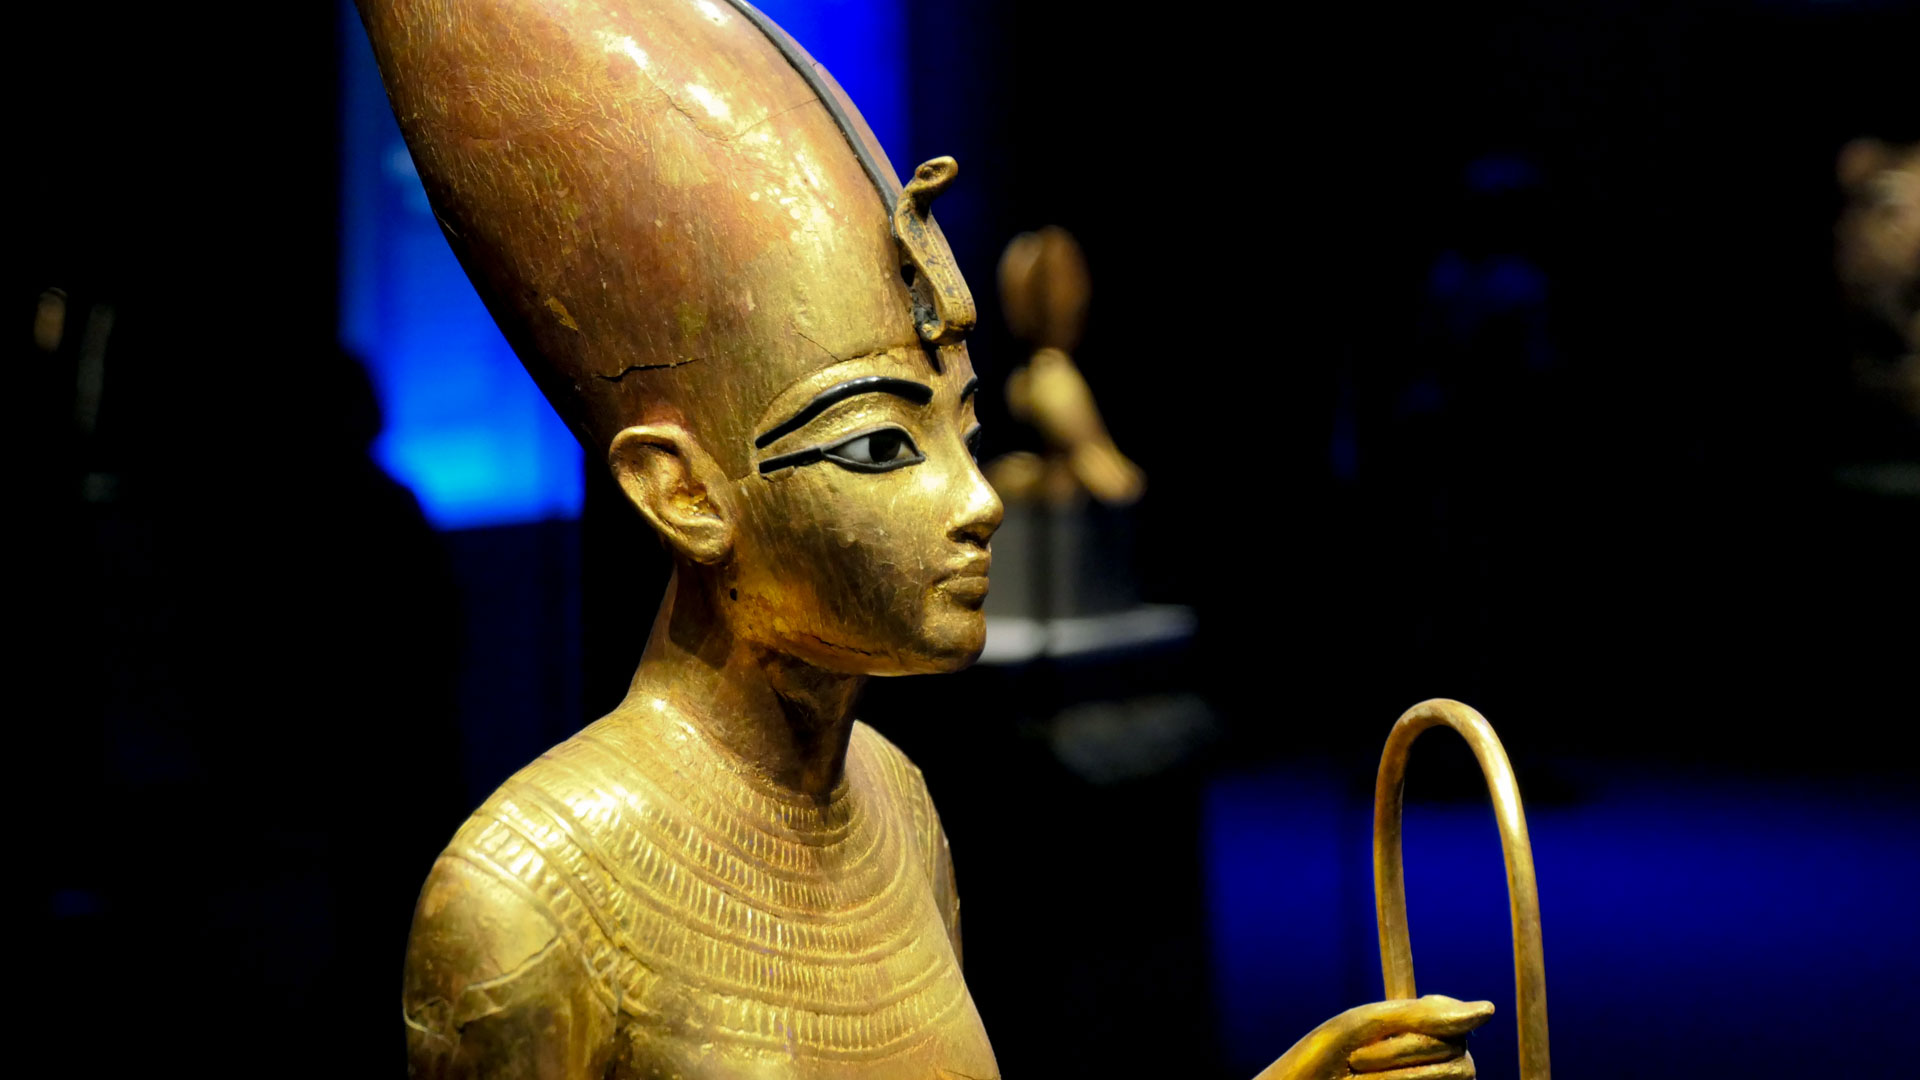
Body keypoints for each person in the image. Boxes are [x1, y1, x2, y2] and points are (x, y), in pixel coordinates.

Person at [359, 1, 1488, 1076]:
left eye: (967, 432)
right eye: (880, 447)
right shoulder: (525, 905)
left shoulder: (895, 801)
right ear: (684, 494)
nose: (978, 498)